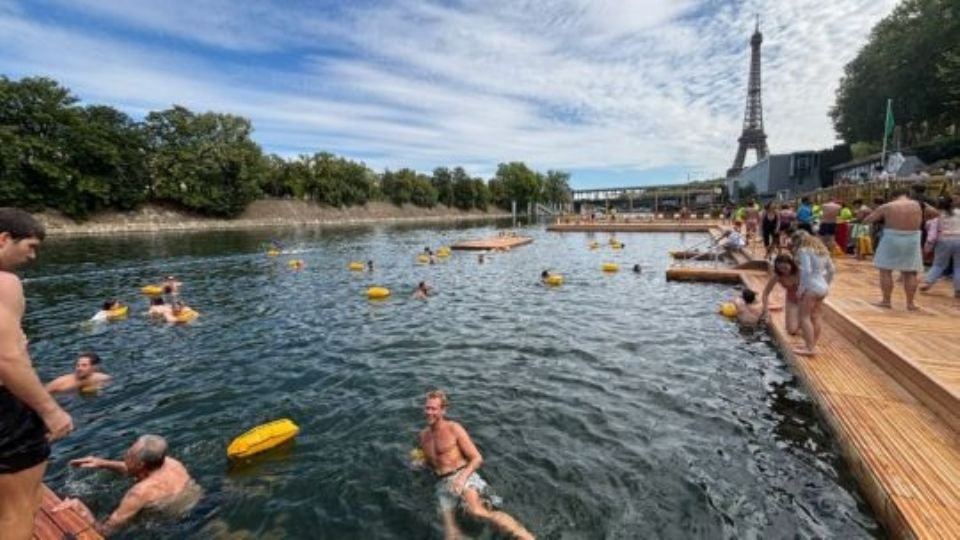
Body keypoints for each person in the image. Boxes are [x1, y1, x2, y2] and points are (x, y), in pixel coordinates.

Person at [0, 208, 73, 539]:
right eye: (30, 246)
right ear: (4, 239)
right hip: (4, 412)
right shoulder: (5, 283)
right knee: (19, 510)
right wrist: (51, 411)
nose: (33, 256)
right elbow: (7, 357)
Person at [418, 390, 534, 540]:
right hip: (442, 483)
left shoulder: (454, 428)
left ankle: (526, 536)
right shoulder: (423, 436)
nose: (429, 412)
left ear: (443, 410)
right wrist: (420, 463)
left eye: (433, 409)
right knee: (450, 535)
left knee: (477, 511)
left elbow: (477, 458)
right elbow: (431, 463)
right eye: (427, 408)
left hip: (462, 475)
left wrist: (461, 479)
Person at [54, 435, 201, 537]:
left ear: (140, 464)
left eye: (129, 454)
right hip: (199, 505)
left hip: (178, 524)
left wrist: (82, 510)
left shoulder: (139, 492)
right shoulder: (170, 462)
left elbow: (106, 531)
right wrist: (102, 463)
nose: (125, 454)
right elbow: (136, 469)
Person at [864, 189, 939, 310]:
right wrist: (922, 217)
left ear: (893, 196)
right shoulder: (920, 205)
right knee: (911, 272)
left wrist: (882, 217)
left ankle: (886, 301)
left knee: (885, 270)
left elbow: (868, 220)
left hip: (891, 237)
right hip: (912, 238)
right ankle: (910, 303)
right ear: (908, 195)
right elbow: (936, 213)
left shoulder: (887, 206)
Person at [793, 231, 835, 356]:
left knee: (804, 317)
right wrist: (826, 284)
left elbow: (806, 271)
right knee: (815, 316)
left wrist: (800, 290)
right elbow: (832, 270)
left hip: (811, 287)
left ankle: (809, 348)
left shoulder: (804, 250)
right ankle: (811, 344)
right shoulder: (823, 251)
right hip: (822, 286)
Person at [920, 196, 959, 298]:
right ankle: (958, 289)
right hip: (959, 239)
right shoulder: (959, 213)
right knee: (958, 266)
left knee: (939, 264)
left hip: (944, 240)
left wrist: (927, 247)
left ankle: (928, 282)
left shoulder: (938, 216)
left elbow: (931, 231)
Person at [761, 254, 801, 335]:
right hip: (792, 300)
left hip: (805, 300)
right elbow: (765, 293)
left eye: (785, 268)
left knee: (806, 321)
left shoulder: (800, 272)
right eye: (780, 268)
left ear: (791, 264)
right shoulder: (778, 276)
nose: (783, 271)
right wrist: (766, 312)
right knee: (791, 330)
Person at [45, 352, 112, 394]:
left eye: (84, 365)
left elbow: (108, 385)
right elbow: (42, 394)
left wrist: (95, 388)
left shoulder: (102, 378)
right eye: (78, 365)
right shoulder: (60, 382)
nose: (79, 368)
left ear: (93, 367)